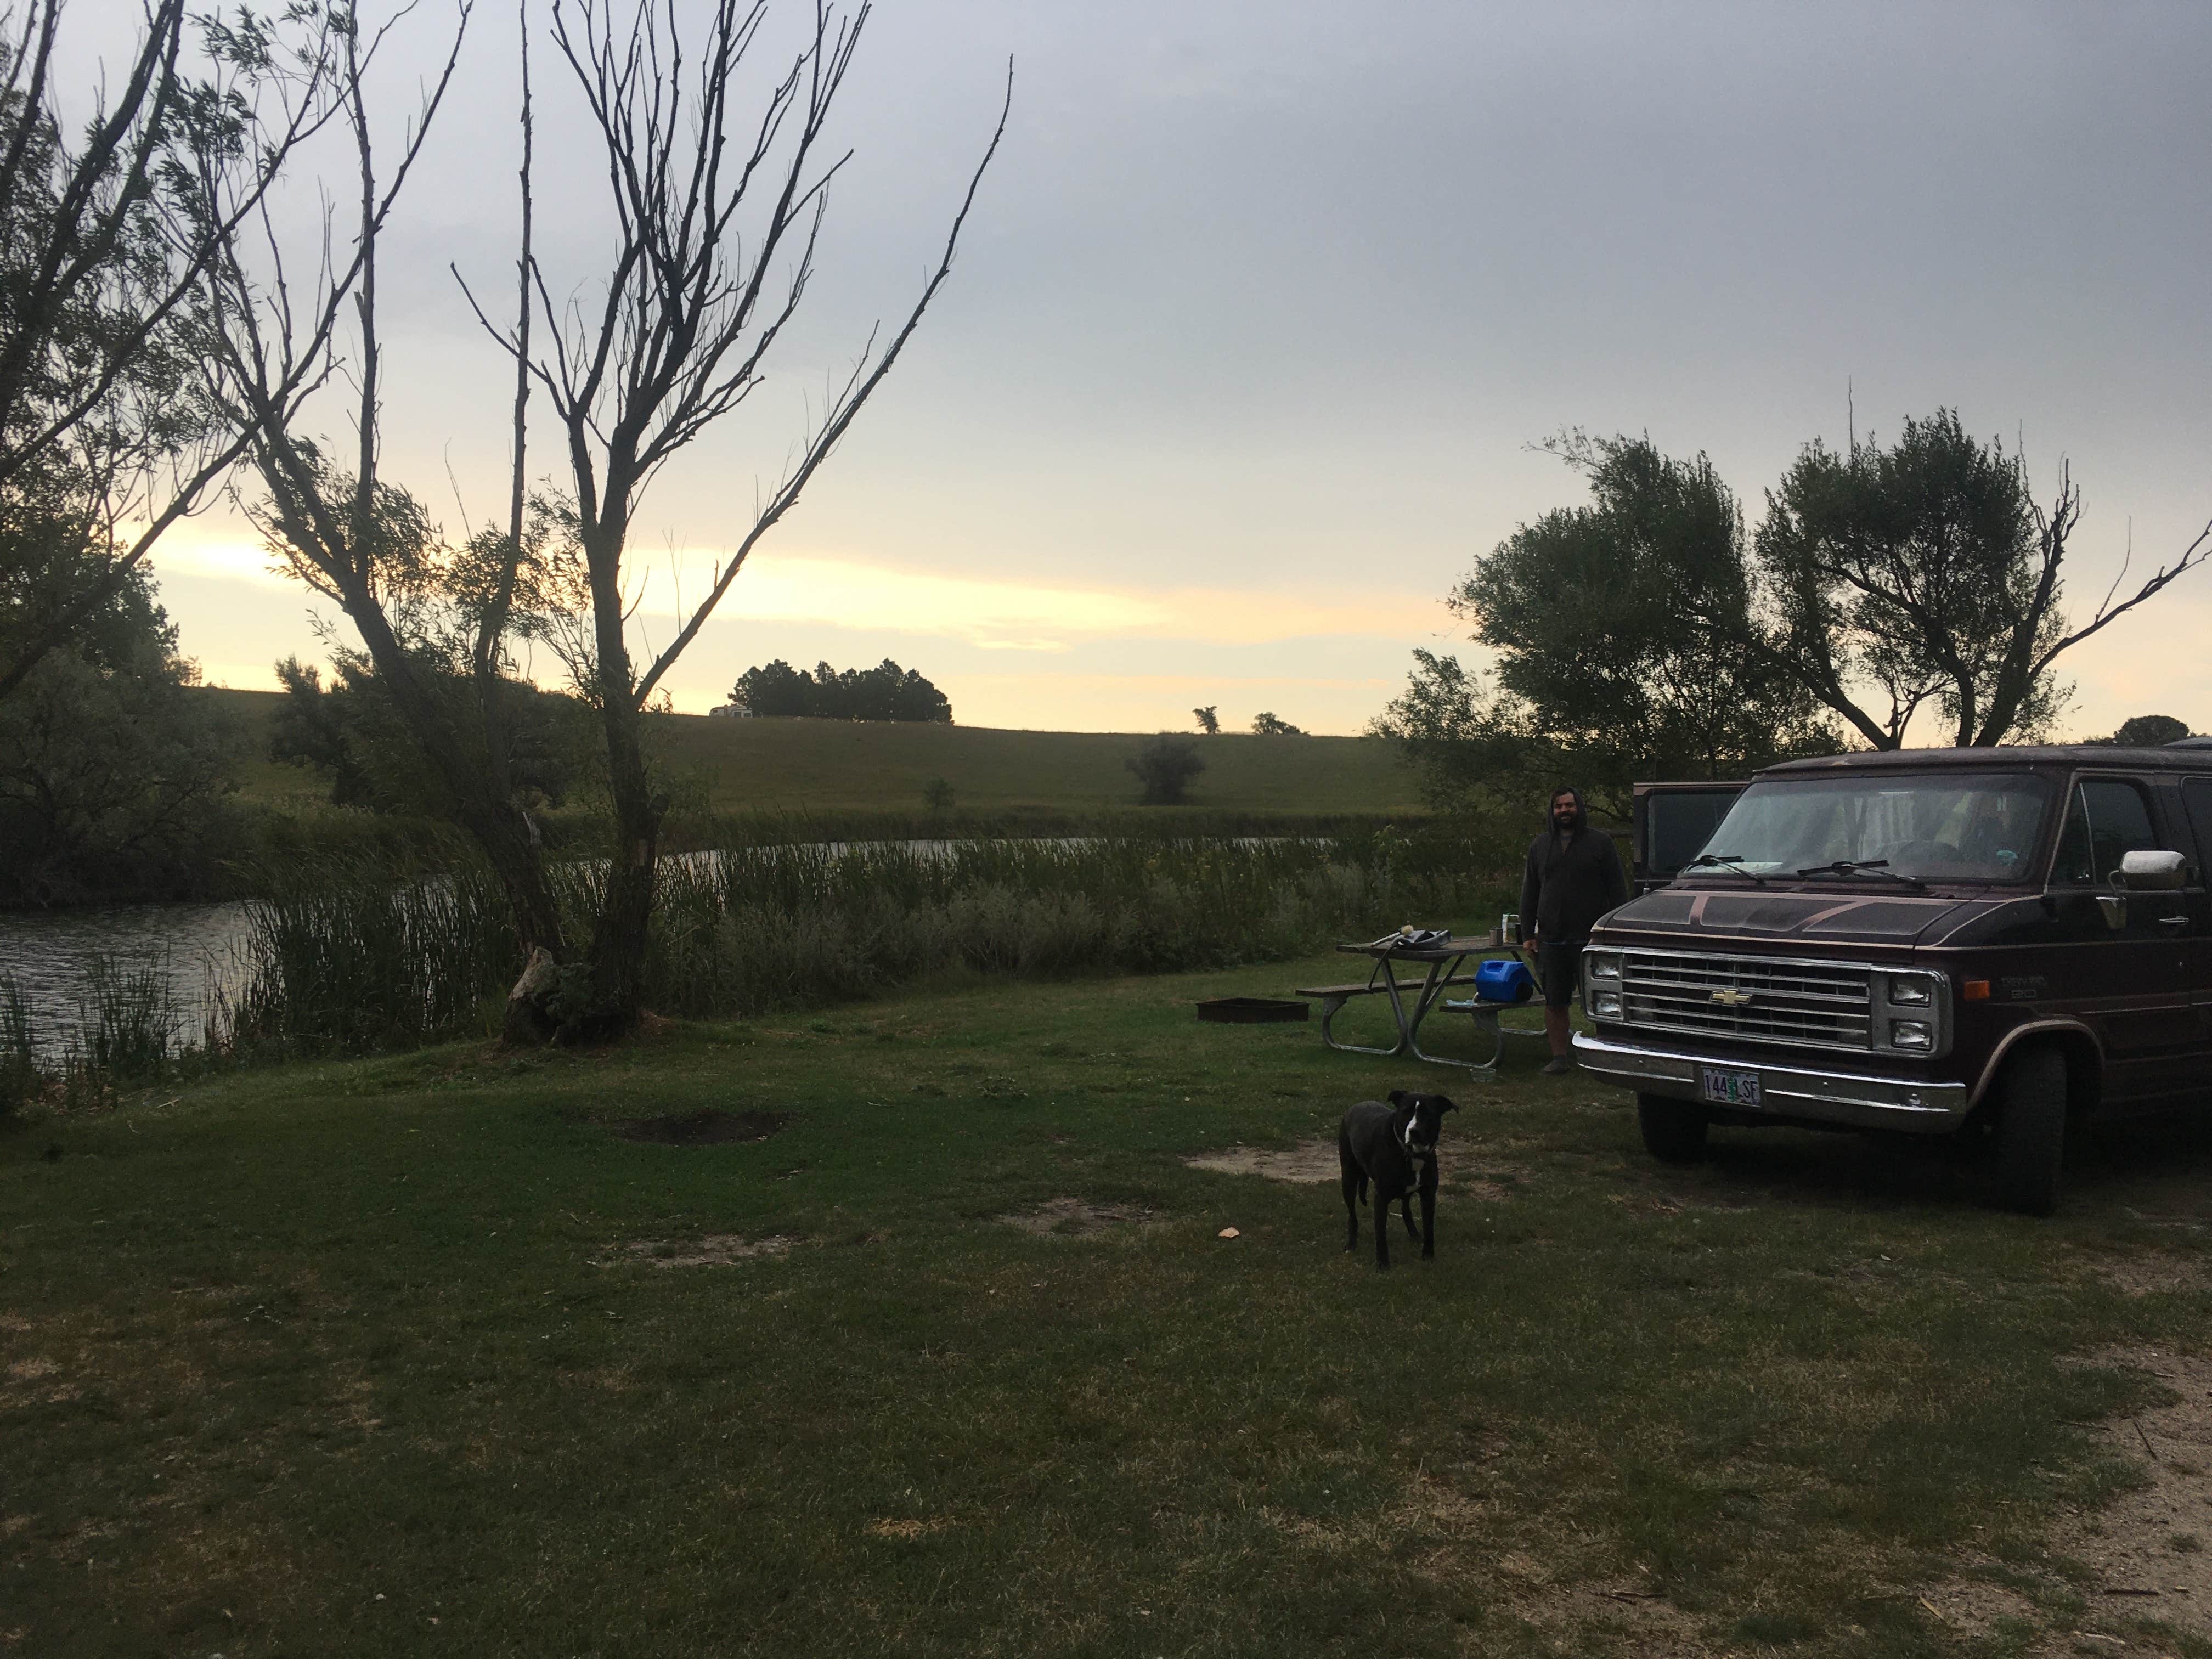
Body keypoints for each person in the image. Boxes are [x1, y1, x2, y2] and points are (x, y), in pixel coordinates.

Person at [1520, 786, 1627, 1075]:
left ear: (1578, 808)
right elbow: (1530, 892)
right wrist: (1528, 933)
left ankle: (1610, 1058)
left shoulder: (1600, 843)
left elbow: (1618, 890)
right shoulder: (1540, 846)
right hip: (1552, 938)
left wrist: (1616, 931)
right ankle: (1559, 1058)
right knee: (1555, 1001)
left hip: (1591, 936)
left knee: (1605, 999)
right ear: (1552, 811)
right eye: (1558, 807)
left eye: (1569, 805)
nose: (1564, 811)